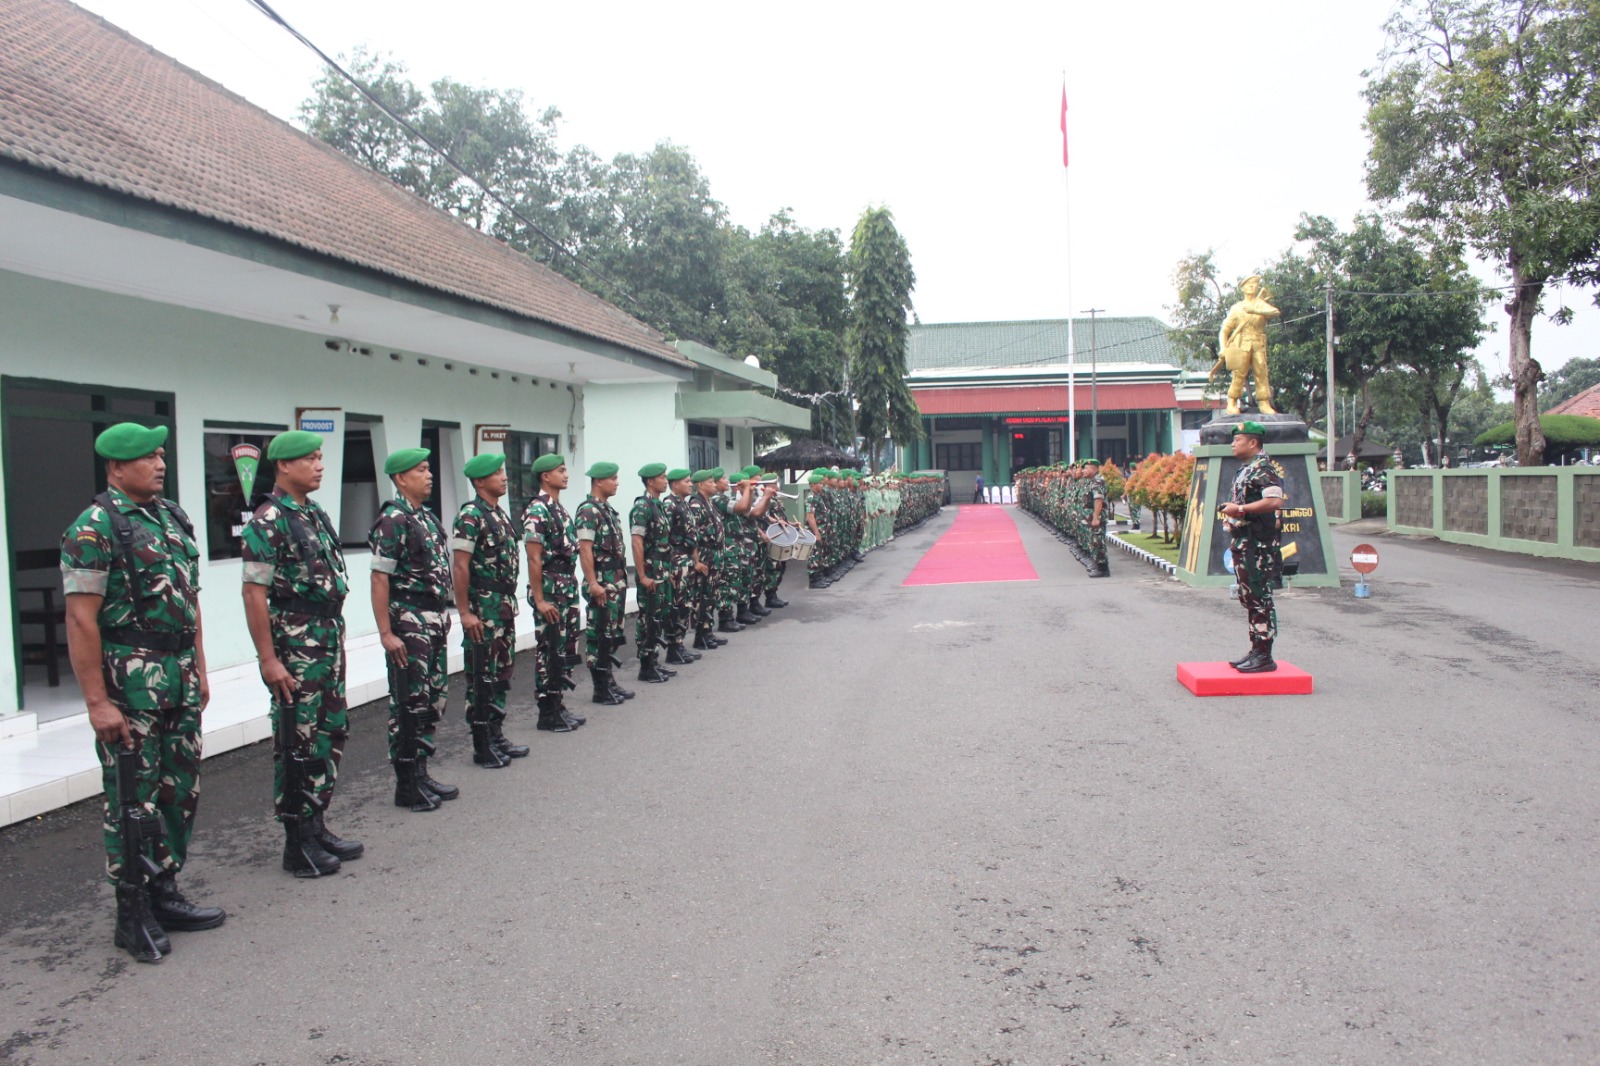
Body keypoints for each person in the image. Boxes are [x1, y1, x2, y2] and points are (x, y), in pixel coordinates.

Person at [62, 422, 225, 963]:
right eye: (147, 457)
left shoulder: (172, 517)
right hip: (131, 684)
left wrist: (199, 665)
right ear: (115, 467)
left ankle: (166, 891)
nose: (159, 464)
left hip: (178, 675)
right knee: (134, 799)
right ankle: (131, 911)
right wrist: (96, 702)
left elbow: (191, 599)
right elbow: (82, 621)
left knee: (180, 789)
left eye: (161, 455)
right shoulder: (95, 527)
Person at [241, 429, 360, 878]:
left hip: (327, 637)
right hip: (295, 643)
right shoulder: (267, 521)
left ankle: (316, 822)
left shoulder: (312, 514)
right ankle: (297, 841)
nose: (320, 465)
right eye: (310, 459)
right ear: (284, 466)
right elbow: (254, 595)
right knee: (297, 741)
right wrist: (269, 660)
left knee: (331, 732)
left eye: (320, 457)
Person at [369, 448, 457, 811]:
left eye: (429, 468)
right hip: (408, 622)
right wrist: (386, 633)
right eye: (421, 470)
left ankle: (421, 771)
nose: (430, 474)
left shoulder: (426, 518)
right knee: (408, 701)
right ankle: (406, 783)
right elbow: (379, 578)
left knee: (432, 699)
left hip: (433, 621)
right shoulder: (393, 520)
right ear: (401, 478)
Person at [451, 452, 526, 770]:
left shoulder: (499, 514)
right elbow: (460, 566)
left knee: (501, 674)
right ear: (480, 481)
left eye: (504, 471)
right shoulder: (471, 515)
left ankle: (495, 734)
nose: (504, 477)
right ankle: (481, 744)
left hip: (503, 608)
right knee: (481, 676)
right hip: (483, 609)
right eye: (497, 473)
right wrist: (465, 612)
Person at [521, 454, 584, 732]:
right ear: (546, 476)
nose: (566, 474)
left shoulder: (558, 508)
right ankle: (547, 711)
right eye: (560, 470)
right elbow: (534, 558)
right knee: (549, 650)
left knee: (564, 649)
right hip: (550, 590)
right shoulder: (537, 510)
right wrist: (539, 599)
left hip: (565, 587)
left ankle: (558, 704)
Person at [1220, 421, 1286, 672]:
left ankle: (1265, 655)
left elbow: (1274, 501)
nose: (1233, 444)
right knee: (1250, 597)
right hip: (1245, 541)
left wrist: (1241, 509)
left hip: (1258, 544)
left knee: (1259, 597)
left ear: (1253, 443)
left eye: (1237, 440)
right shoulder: (1247, 469)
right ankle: (1256, 649)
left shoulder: (1264, 469)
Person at [574, 461, 632, 705]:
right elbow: (585, 550)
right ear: (599, 481)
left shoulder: (606, 509)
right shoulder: (588, 510)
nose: (617, 482)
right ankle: (600, 688)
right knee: (599, 633)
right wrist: (593, 583)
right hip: (602, 582)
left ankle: (608, 680)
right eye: (613, 478)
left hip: (615, 581)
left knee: (612, 633)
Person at [628, 462, 675, 685]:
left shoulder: (658, 505)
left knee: (660, 616)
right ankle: (645, 665)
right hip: (650, 572)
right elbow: (637, 542)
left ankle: (654, 661)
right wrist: (642, 575)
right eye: (662, 477)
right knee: (649, 618)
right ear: (650, 481)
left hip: (662, 571)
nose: (666, 481)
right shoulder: (643, 506)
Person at [661, 468, 702, 665]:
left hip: (686, 560)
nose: (690, 484)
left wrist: (695, 562)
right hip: (676, 561)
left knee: (685, 604)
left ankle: (680, 644)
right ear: (675, 484)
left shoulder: (683, 504)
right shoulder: (669, 504)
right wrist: (668, 566)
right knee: (677, 605)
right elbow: (664, 537)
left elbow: (692, 536)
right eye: (686, 481)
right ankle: (673, 647)